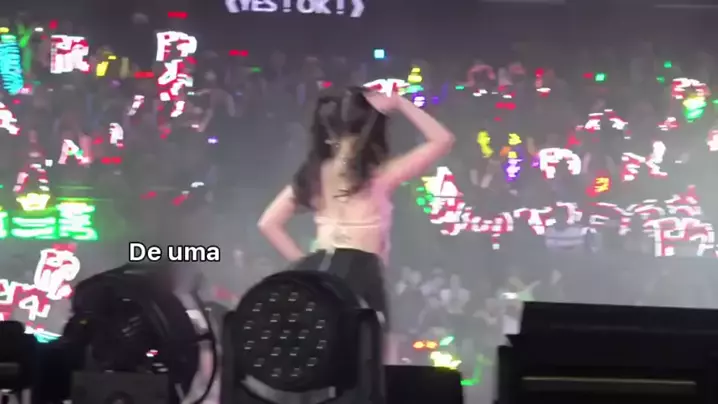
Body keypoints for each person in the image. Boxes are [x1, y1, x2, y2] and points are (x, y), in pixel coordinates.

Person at [257, 86, 455, 363]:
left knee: (325, 364)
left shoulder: (314, 175)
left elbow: (268, 223)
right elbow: (443, 140)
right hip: (361, 279)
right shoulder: (379, 176)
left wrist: (307, 266)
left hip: (321, 280)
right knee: (377, 361)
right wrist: (399, 103)